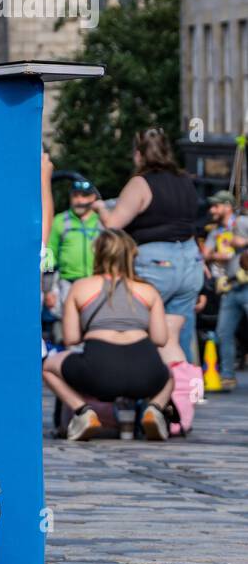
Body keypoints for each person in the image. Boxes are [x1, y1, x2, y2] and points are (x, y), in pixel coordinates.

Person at [42, 229, 173, 442]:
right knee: (168, 375)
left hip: (98, 371)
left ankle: (83, 412)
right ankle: (155, 409)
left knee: (47, 367)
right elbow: (160, 339)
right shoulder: (148, 290)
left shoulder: (81, 287)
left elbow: (71, 338)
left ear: (98, 254)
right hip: (146, 372)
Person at [91, 128, 202, 362]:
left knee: (141, 328)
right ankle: (180, 389)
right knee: (175, 333)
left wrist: (100, 208)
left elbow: (113, 224)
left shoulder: (140, 183)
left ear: (139, 155)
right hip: (191, 261)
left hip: (156, 262)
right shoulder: (186, 181)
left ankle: (144, 389)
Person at [204, 190, 248, 389]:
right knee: (224, 331)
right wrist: (215, 255)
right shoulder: (216, 231)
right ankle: (228, 375)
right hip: (230, 287)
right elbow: (205, 253)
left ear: (227, 207)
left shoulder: (242, 223)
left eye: (216, 206)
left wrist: (244, 242)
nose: (212, 209)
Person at [45, 179, 104, 323]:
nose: (79, 200)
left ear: (93, 198)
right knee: (68, 323)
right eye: (75, 196)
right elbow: (49, 254)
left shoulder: (102, 221)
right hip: (67, 283)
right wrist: (47, 290)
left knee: (96, 321)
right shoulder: (60, 220)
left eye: (84, 196)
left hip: (97, 281)